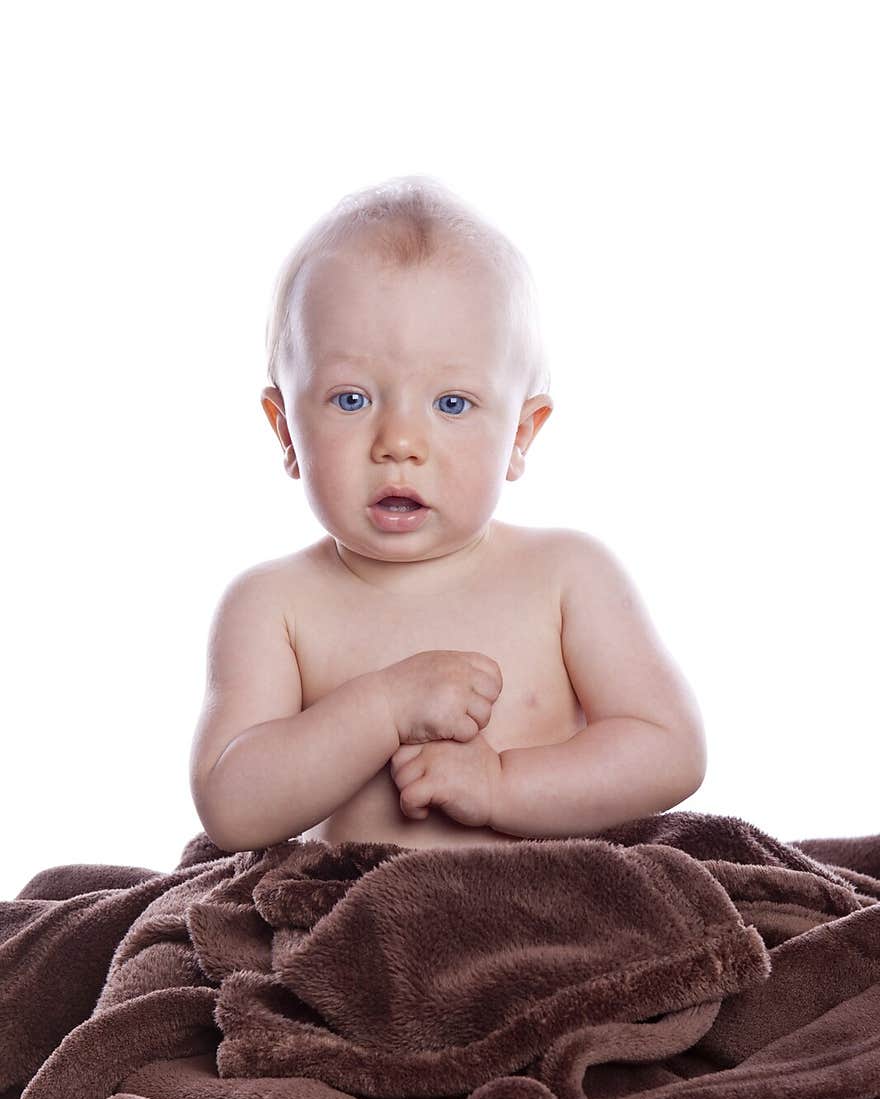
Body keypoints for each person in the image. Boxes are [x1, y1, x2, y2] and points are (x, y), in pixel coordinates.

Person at [189, 176, 706, 852]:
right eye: (351, 399)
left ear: (520, 435)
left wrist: (502, 785)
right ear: (285, 429)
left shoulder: (566, 577)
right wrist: (380, 708)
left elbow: (669, 749)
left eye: (453, 404)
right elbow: (232, 809)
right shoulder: (273, 605)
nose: (399, 443)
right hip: (353, 927)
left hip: (554, 920)